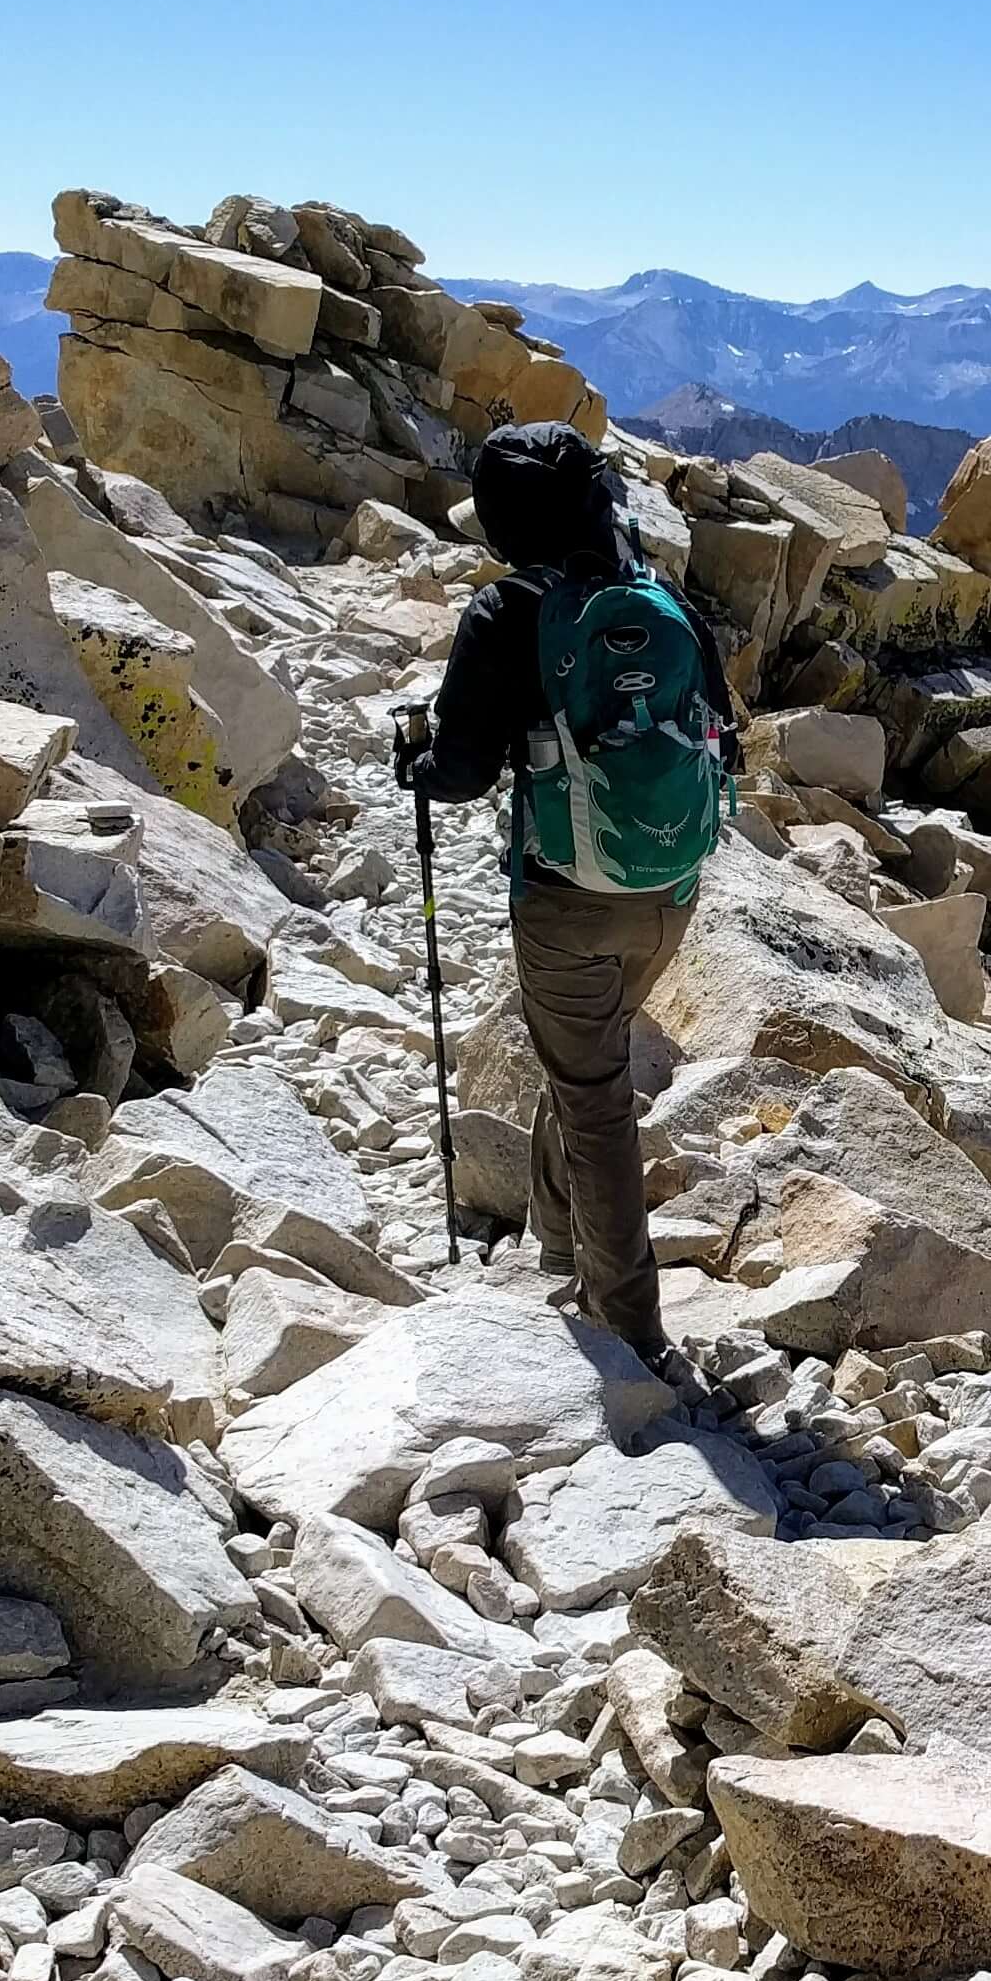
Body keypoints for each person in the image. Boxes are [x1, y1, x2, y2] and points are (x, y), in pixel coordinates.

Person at [399, 420, 736, 1360]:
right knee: (583, 1054)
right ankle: (557, 1241)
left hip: (565, 896)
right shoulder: (661, 601)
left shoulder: (506, 615)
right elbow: (724, 733)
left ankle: (627, 1324)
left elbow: (459, 774)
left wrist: (416, 763)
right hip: (669, 886)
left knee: (594, 1094)